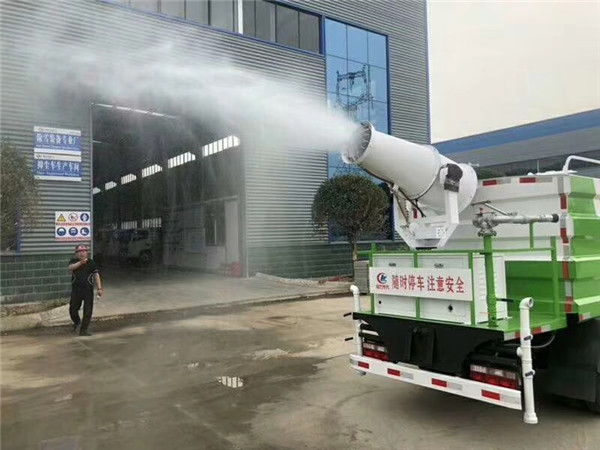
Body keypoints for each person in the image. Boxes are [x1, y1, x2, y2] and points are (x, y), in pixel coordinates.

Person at [68, 244, 103, 336]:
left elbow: (96, 275)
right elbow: (70, 268)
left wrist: (99, 288)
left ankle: (83, 330)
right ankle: (77, 322)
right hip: (76, 290)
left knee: (87, 311)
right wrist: (80, 263)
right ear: (76, 253)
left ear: (87, 252)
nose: (82, 253)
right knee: (73, 309)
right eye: (79, 251)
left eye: (84, 251)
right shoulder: (73, 261)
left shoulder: (91, 263)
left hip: (88, 290)